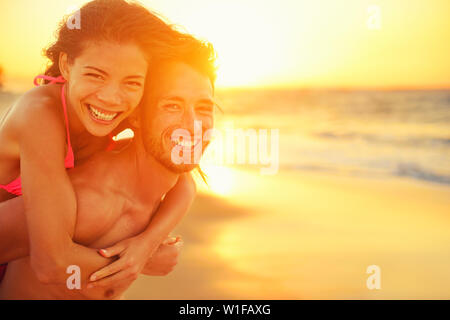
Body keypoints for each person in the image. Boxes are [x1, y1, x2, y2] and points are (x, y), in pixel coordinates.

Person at [0, 34, 217, 299]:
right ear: (135, 116)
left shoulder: (168, 188)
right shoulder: (86, 198)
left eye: (204, 107)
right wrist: (138, 263)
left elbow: (186, 183)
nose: (193, 124)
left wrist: (146, 245)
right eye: (172, 106)